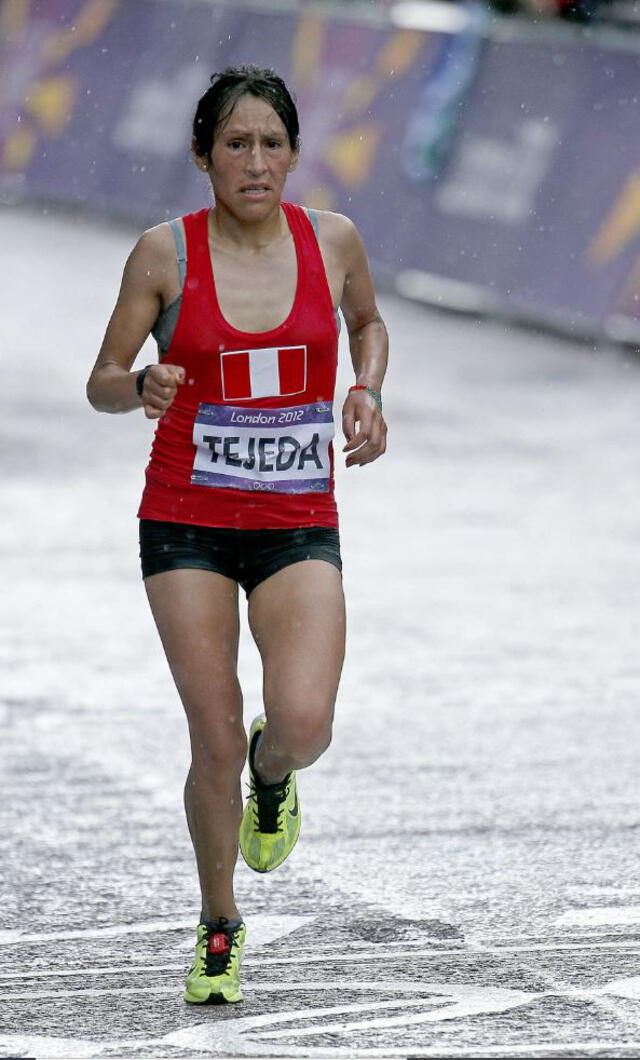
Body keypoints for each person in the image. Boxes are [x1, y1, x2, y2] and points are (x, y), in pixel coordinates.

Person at [86, 65, 388, 1005]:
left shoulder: (331, 240)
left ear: (294, 153)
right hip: (187, 522)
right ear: (203, 155)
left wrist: (367, 388)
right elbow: (101, 377)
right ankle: (219, 925)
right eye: (234, 144)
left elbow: (369, 322)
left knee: (302, 723)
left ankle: (275, 771)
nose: (254, 162)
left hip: (298, 519)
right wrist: (141, 386)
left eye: (271, 144)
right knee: (209, 736)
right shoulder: (163, 255)